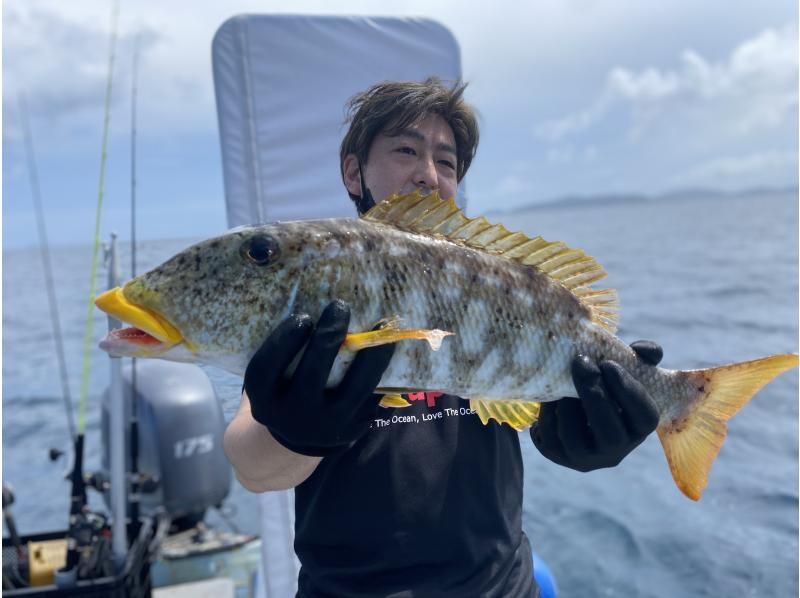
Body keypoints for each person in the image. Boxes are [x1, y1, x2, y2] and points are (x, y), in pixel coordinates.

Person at [223, 78, 663, 597]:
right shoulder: (310, 282)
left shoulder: (493, 284)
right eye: (406, 150)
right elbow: (252, 466)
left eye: (447, 163)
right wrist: (294, 433)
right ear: (352, 170)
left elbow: (538, 410)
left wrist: (575, 433)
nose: (428, 176)